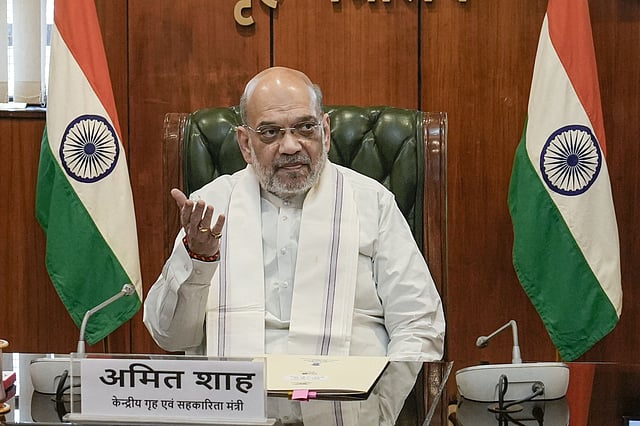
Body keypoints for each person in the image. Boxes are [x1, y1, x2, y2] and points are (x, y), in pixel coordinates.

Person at [143, 66, 445, 425]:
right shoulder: (210, 208)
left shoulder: (372, 202)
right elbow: (169, 336)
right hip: (234, 415)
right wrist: (198, 262)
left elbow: (419, 324)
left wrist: (380, 412)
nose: (290, 146)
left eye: (305, 128)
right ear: (245, 143)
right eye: (270, 132)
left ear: (326, 132)